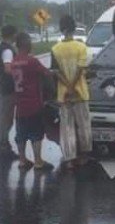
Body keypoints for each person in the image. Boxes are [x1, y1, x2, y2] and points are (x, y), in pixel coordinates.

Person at [51, 15, 92, 169]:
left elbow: (56, 72)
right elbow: (82, 69)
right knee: (83, 125)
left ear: (62, 28)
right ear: (74, 28)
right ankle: (84, 156)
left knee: (66, 127)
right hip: (80, 93)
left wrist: (67, 87)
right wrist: (73, 87)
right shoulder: (81, 47)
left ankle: (69, 158)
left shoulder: (55, 49)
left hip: (63, 94)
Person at [10, 32, 51, 170]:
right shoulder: (32, 61)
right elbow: (46, 73)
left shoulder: (14, 62)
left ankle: (22, 160)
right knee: (36, 133)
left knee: (20, 134)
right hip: (33, 104)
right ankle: (38, 161)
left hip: (20, 105)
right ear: (26, 45)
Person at [0, 24, 18, 159]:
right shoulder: (8, 51)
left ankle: (2, 144)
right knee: (6, 118)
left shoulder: (0, 48)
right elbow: (8, 69)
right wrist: (19, 73)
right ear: (12, 35)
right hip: (7, 88)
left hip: (0, 85)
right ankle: (2, 145)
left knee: (1, 116)